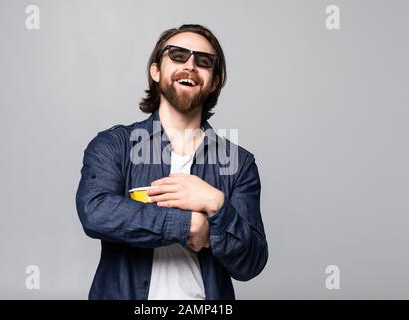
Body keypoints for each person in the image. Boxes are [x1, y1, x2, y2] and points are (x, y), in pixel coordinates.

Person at [75, 24, 268, 300]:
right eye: (178, 55)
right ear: (156, 71)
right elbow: (95, 212)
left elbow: (252, 262)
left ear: (213, 82)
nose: (190, 66)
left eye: (203, 61)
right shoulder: (114, 145)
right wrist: (188, 224)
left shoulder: (239, 163)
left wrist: (217, 205)